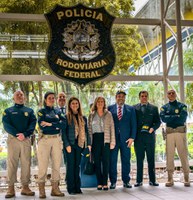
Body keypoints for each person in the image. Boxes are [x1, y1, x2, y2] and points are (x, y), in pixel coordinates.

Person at [2, 90, 37, 198]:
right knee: (12, 163)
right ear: (13, 98)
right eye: (17, 94)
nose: (20, 96)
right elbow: (6, 125)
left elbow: (33, 123)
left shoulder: (30, 111)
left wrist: (25, 134)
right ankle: (10, 188)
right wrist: (18, 134)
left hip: (26, 139)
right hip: (13, 139)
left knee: (26, 163)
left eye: (22, 94)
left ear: (25, 98)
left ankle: (25, 187)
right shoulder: (8, 111)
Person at [37, 91, 65, 198]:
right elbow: (42, 126)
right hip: (45, 140)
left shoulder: (58, 111)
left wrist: (49, 123)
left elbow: (64, 125)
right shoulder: (41, 111)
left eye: (53, 98)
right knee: (43, 165)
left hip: (57, 140)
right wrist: (56, 125)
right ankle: (42, 190)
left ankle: (55, 189)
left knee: (56, 165)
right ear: (45, 99)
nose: (52, 100)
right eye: (50, 98)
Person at [160, 89, 190, 187]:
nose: (171, 94)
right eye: (169, 93)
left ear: (176, 94)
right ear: (167, 95)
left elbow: (183, 118)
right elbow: (164, 119)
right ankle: (170, 178)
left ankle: (186, 177)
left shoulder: (183, 106)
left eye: (173, 93)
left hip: (180, 132)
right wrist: (176, 116)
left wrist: (171, 117)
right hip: (169, 133)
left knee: (183, 154)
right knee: (169, 156)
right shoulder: (164, 108)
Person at [62, 97, 91, 195]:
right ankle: (71, 188)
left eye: (76, 103)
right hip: (70, 145)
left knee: (77, 166)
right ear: (70, 105)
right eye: (73, 103)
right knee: (70, 166)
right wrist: (66, 145)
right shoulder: (66, 117)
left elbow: (87, 132)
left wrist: (89, 144)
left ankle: (77, 187)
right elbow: (63, 133)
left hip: (79, 145)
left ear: (79, 105)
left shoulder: (83, 118)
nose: (75, 105)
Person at [108, 90, 137, 189]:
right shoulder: (109, 108)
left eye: (123, 96)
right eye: (119, 96)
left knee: (126, 160)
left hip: (126, 140)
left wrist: (132, 138)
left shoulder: (130, 109)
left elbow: (134, 124)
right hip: (113, 140)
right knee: (112, 161)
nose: (121, 98)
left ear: (125, 98)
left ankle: (126, 181)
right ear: (116, 97)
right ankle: (113, 182)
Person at [133, 91, 161, 187]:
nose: (144, 98)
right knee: (139, 160)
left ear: (148, 97)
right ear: (139, 97)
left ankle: (152, 180)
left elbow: (158, 122)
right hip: (138, 138)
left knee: (151, 159)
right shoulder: (134, 108)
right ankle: (139, 181)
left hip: (150, 138)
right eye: (142, 96)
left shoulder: (154, 108)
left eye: (145, 96)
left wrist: (153, 128)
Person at [88, 97, 115, 190]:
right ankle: (99, 183)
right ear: (96, 103)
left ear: (104, 103)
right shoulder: (91, 115)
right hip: (95, 140)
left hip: (106, 140)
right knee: (97, 162)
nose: (100, 103)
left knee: (106, 162)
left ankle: (105, 183)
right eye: (98, 101)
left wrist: (112, 142)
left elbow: (112, 128)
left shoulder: (108, 114)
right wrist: (89, 143)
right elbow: (89, 130)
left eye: (102, 101)